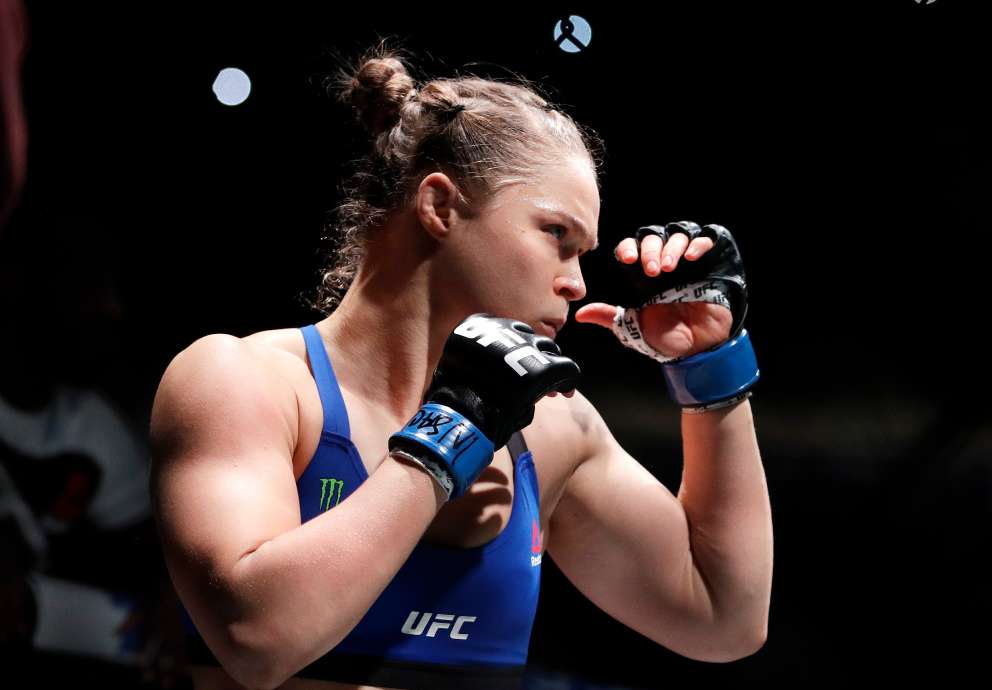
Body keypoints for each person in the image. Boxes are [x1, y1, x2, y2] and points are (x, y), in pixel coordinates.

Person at [150, 45, 771, 690]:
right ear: (440, 206)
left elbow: (724, 617)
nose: (578, 283)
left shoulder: (555, 433)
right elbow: (256, 641)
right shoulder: (245, 383)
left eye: (583, 251)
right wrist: (449, 434)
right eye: (557, 235)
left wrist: (710, 366)